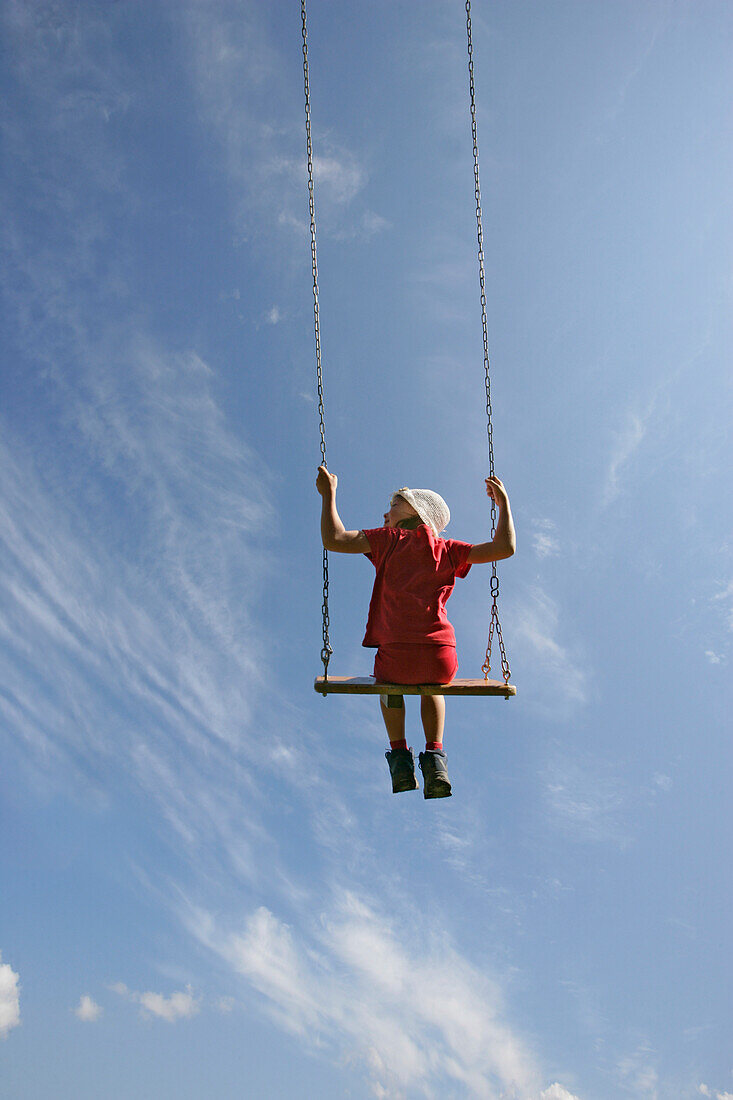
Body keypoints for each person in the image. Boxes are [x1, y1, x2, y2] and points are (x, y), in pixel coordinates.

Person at [316, 466, 515, 799]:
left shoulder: (388, 540)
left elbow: (333, 539)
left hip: (396, 658)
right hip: (441, 657)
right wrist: (505, 503)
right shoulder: (448, 549)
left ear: (414, 511)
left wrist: (328, 495)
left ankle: (400, 759)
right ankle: (435, 758)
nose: (385, 512)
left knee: (389, 686)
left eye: (394, 504)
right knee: (432, 685)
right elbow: (504, 547)